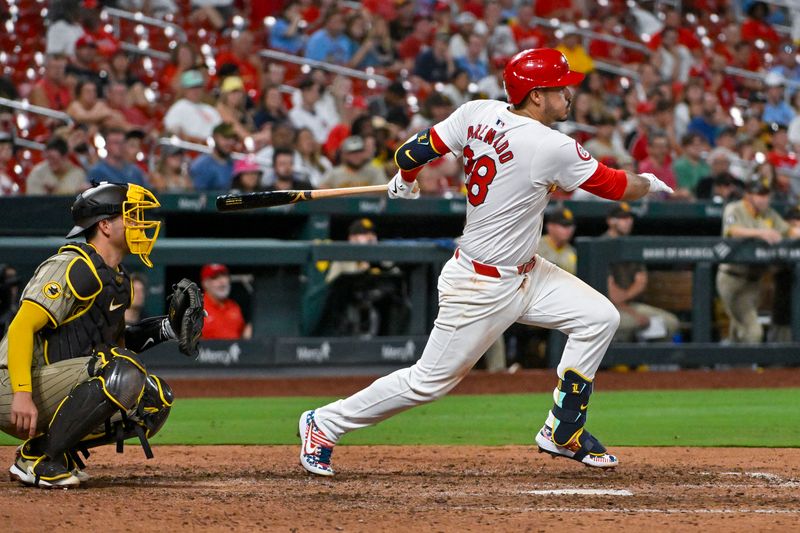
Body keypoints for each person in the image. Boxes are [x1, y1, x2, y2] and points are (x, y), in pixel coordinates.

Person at [298, 48, 674, 477]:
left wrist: (405, 180)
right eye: (559, 88)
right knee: (427, 382)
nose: (569, 94)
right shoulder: (550, 145)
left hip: (529, 274)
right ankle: (324, 422)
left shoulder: (476, 111)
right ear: (535, 96)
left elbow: (410, 152)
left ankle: (563, 428)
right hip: (480, 285)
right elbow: (616, 187)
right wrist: (650, 183)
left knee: (599, 317)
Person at [0, 182, 204, 488]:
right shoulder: (72, 265)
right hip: (12, 385)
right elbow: (20, 327)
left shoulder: (119, 280)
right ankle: (39, 462)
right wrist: (22, 394)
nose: (140, 224)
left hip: (53, 383)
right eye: (131, 216)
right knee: (122, 368)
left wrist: (166, 329)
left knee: (153, 399)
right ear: (105, 225)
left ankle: (46, 450)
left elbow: (112, 347)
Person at [717, 177, 799, 343]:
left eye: (766, 195)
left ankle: (732, 367)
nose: (764, 199)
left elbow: (788, 231)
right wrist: (761, 233)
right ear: (748, 195)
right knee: (752, 331)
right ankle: (746, 367)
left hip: (754, 281)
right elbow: (733, 231)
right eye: (759, 195)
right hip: (732, 277)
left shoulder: (769, 213)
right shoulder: (735, 208)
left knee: (739, 330)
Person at [603, 203, 680, 342]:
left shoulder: (632, 245)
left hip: (631, 305)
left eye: (629, 218)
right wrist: (634, 313)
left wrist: (627, 300)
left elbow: (641, 282)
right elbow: (613, 296)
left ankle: (648, 363)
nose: (627, 221)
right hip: (605, 307)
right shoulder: (601, 245)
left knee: (670, 323)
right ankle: (619, 363)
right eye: (622, 218)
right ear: (610, 221)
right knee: (629, 323)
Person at [162, 70, 222, 143]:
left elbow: (220, 133)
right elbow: (172, 131)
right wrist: (198, 141)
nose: (195, 91)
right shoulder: (179, 106)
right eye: (192, 87)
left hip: (211, 149)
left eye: (198, 86)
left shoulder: (211, 110)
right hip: (188, 149)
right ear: (184, 89)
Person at [200, 263, 252, 340]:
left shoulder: (234, 306)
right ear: (205, 283)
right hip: (207, 351)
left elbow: (242, 336)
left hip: (233, 350)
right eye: (215, 277)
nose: (222, 281)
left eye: (224, 276)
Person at [321, 136, 386, 189]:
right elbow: (321, 189)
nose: (356, 155)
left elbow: (384, 191)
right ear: (344, 155)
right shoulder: (334, 173)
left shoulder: (374, 171)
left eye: (359, 151)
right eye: (352, 152)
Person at [188, 122, 236, 191]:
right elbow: (199, 196)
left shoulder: (234, 164)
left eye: (233, 138)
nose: (231, 142)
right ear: (215, 137)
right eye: (226, 138)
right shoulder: (202, 165)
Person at [537, 207, 577, 275]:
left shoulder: (573, 251)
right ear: (550, 226)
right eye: (563, 225)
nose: (568, 229)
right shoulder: (536, 246)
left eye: (570, 225)